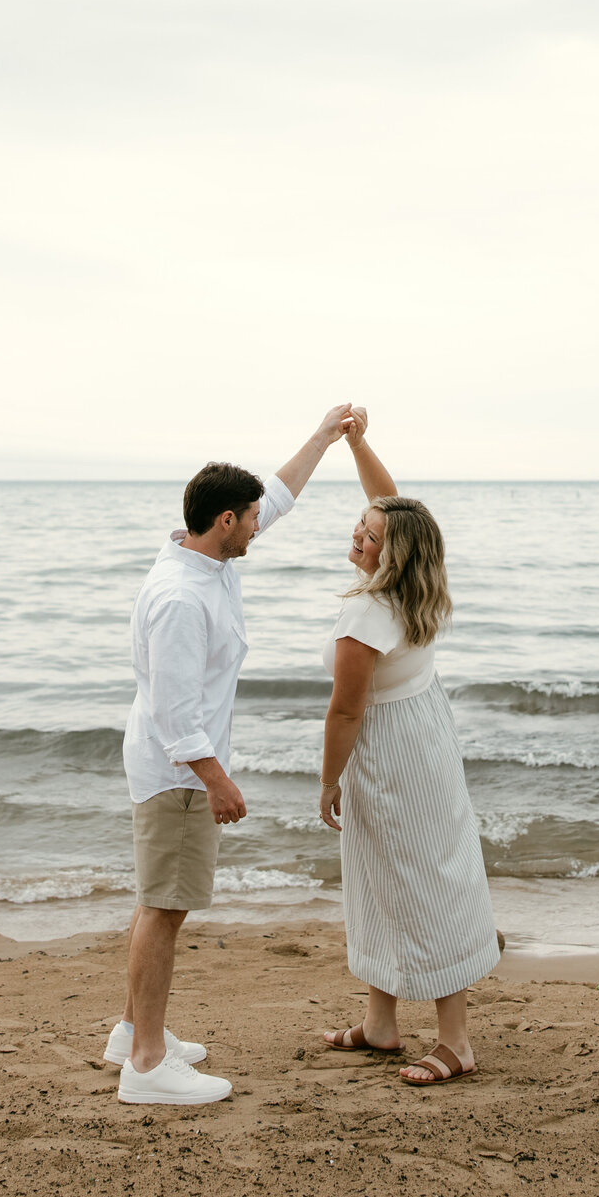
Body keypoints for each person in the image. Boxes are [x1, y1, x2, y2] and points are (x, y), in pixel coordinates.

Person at [107, 403, 354, 1107]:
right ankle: (147, 1066)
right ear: (224, 522)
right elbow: (174, 712)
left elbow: (276, 495)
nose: (257, 526)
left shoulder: (203, 555)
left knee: (159, 901)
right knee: (165, 907)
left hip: (170, 764)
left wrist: (324, 437)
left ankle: (131, 1034)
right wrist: (217, 780)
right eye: (248, 521)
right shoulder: (182, 598)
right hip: (177, 770)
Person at [319, 409, 500, 1084]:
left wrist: (328, 781)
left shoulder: (365, 612)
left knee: (420, 881)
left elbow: (346, 710)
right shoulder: (416, 584)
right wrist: (359, 446)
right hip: (425, 734)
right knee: (384, 876)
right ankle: (381, 1024)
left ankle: (456, 1041)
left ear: (390, 553)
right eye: (360, 526)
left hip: (390, 752)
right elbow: (393, 507)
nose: (358, 535)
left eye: (368, 536)